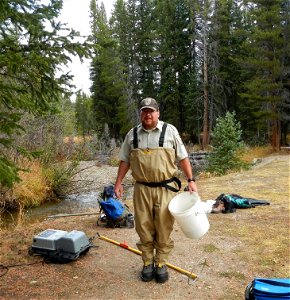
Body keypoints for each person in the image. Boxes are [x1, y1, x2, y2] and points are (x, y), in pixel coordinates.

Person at [114, 97, 197, 284]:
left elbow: (182, 157)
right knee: (143, 227)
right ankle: (148, 262)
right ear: (140, 113)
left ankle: (161, 262)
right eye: (144, 111)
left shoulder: (170, 131)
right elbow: (125, 160)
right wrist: (118, 183)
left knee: (163, 227)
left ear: (158, 113)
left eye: (151, 110)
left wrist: (191, 180)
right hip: (141, 189)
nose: (148, 114)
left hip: (165, 189)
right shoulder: (132, 134)